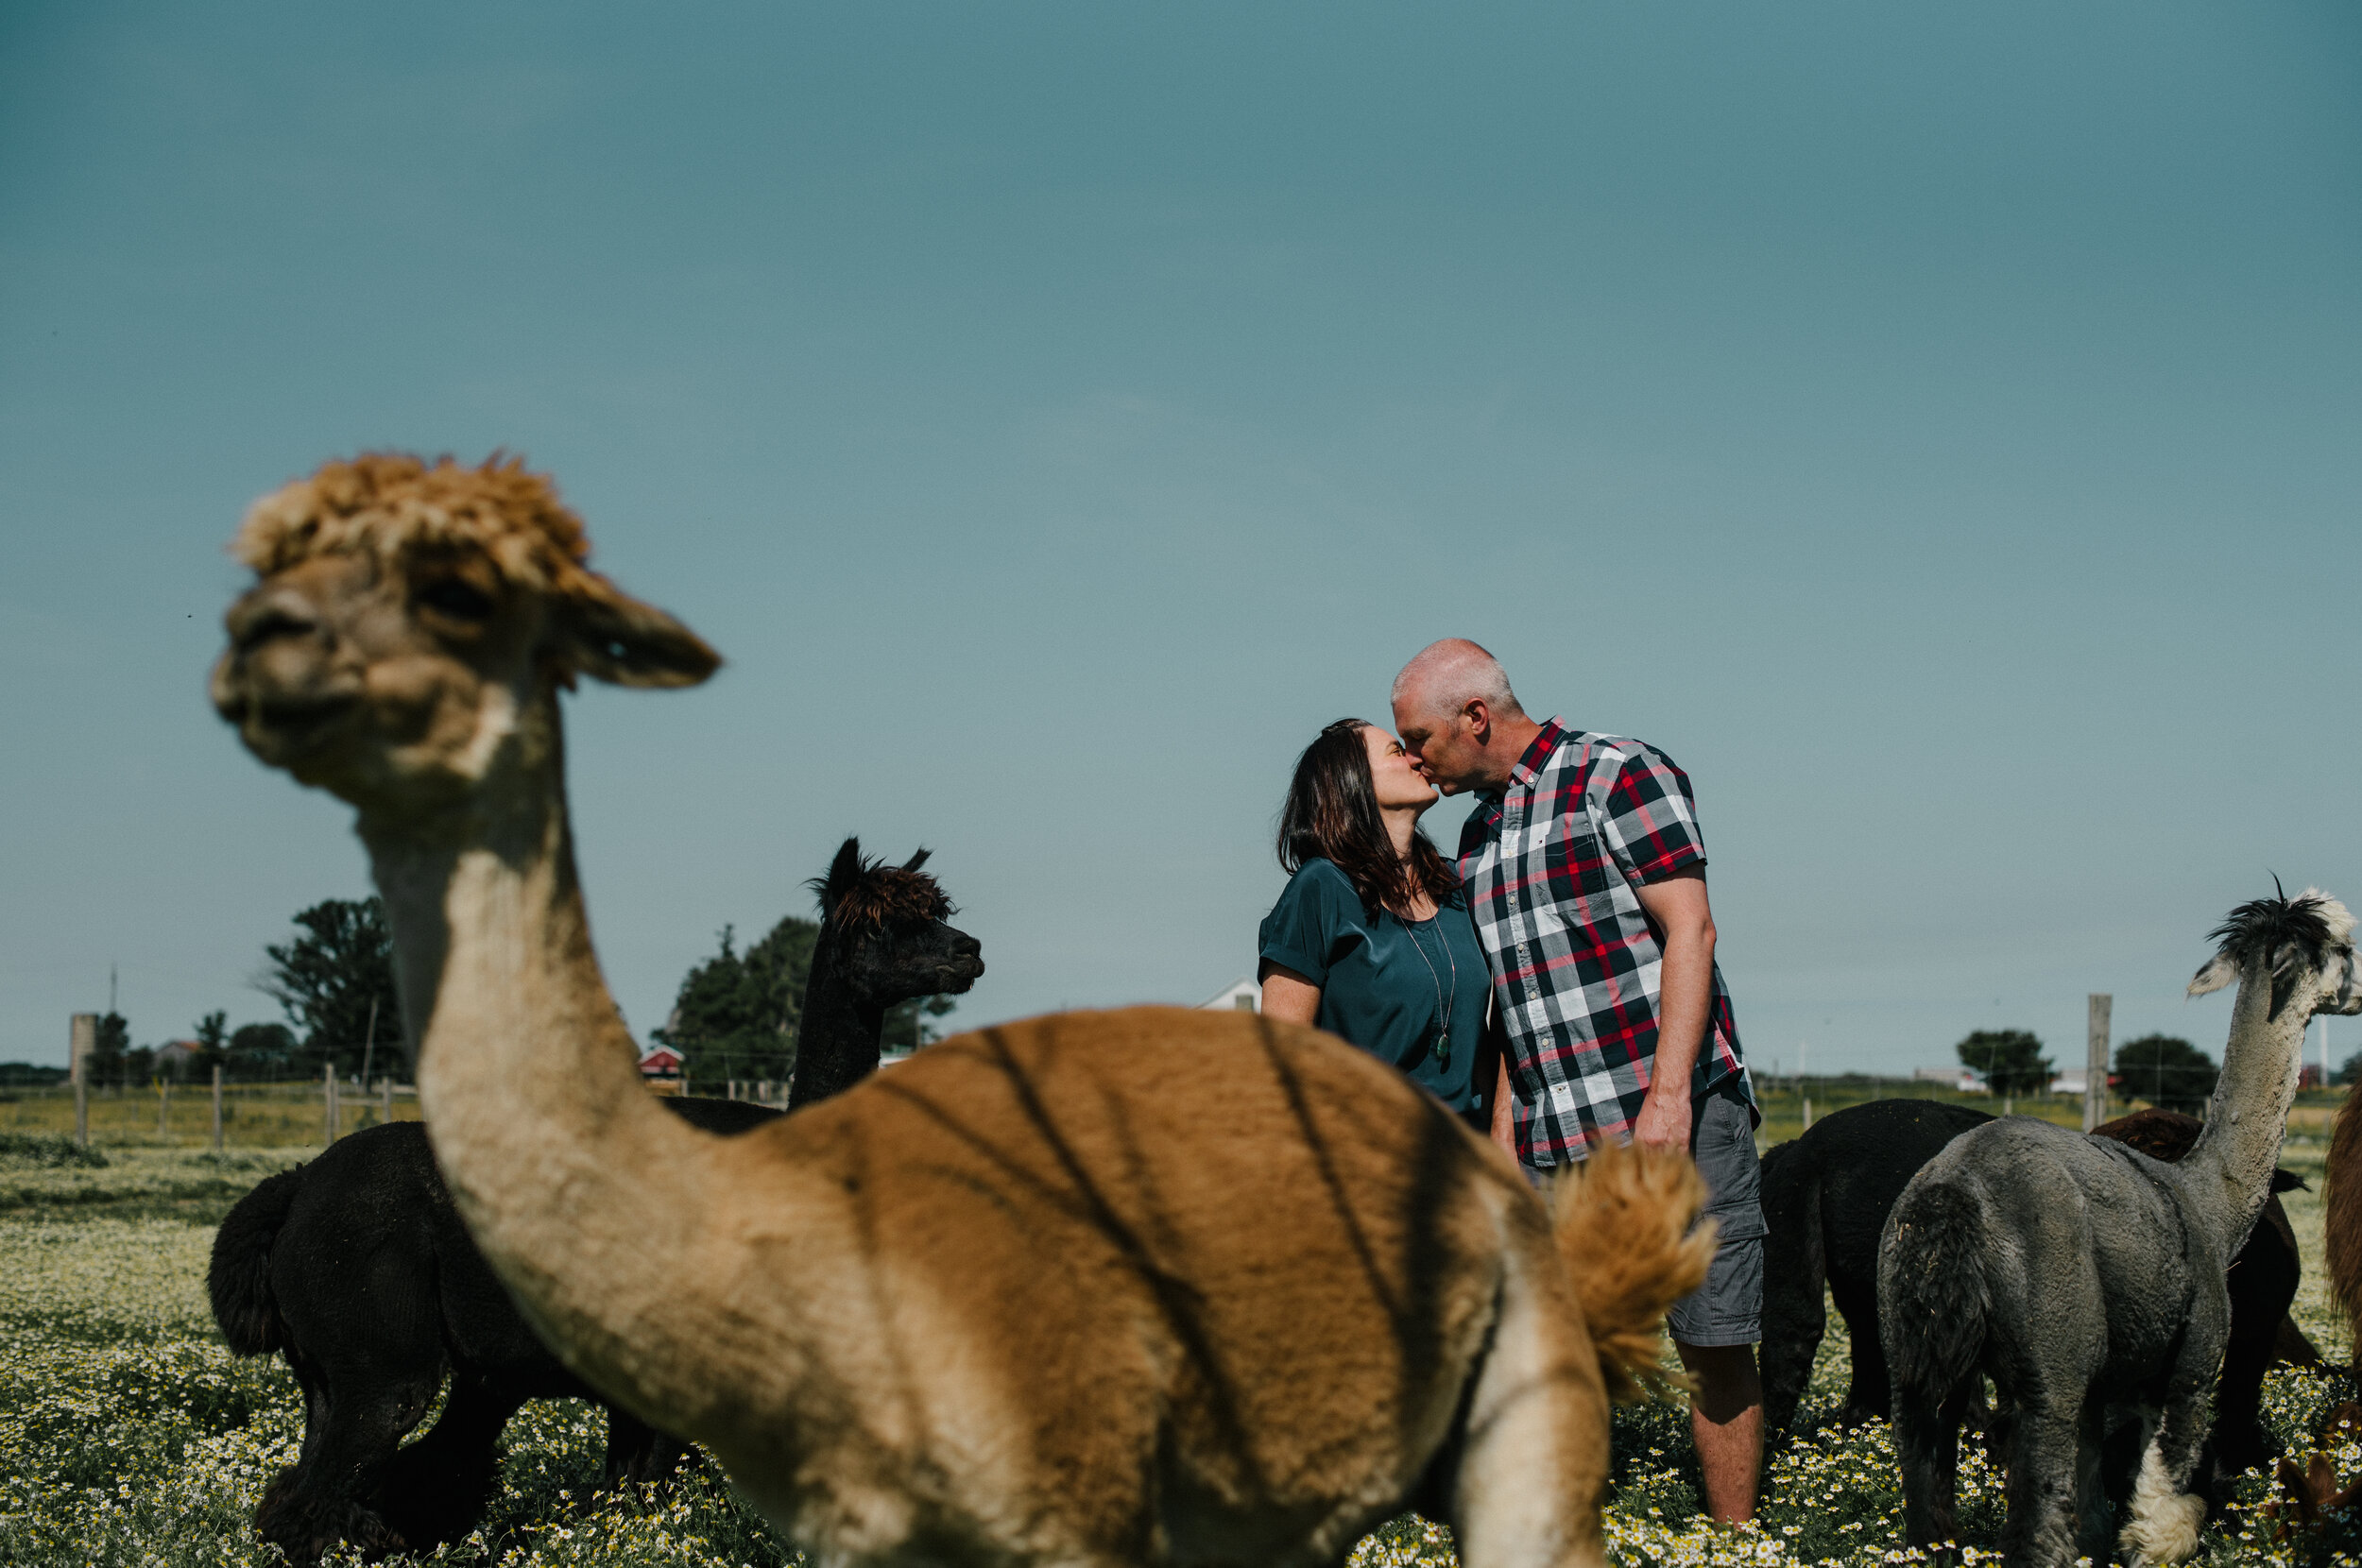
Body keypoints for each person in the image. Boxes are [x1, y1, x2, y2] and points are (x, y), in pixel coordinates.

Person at [1390, 638, 1765, 1523]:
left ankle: (1735, 1539)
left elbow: (1691, 932)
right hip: (1555, 1141)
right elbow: (1518, 1009)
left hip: (1674, 1113)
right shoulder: (1476, 835)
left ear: (1475, 718)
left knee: (1714, 1338)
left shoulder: (1619, 773)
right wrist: (1504, 1144)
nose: (1414, 757)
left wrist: (1669, 1097)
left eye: (1421, 738)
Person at [1256, 719, 1492, 1131]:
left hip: (1468, 1159)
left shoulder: (1457, 887)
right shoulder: (1321, 888)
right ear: (1352, 781)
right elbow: (1281, 1060)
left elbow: (1485, 1044)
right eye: (1398, 752)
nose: (1418, 759)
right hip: (1367, 1161)